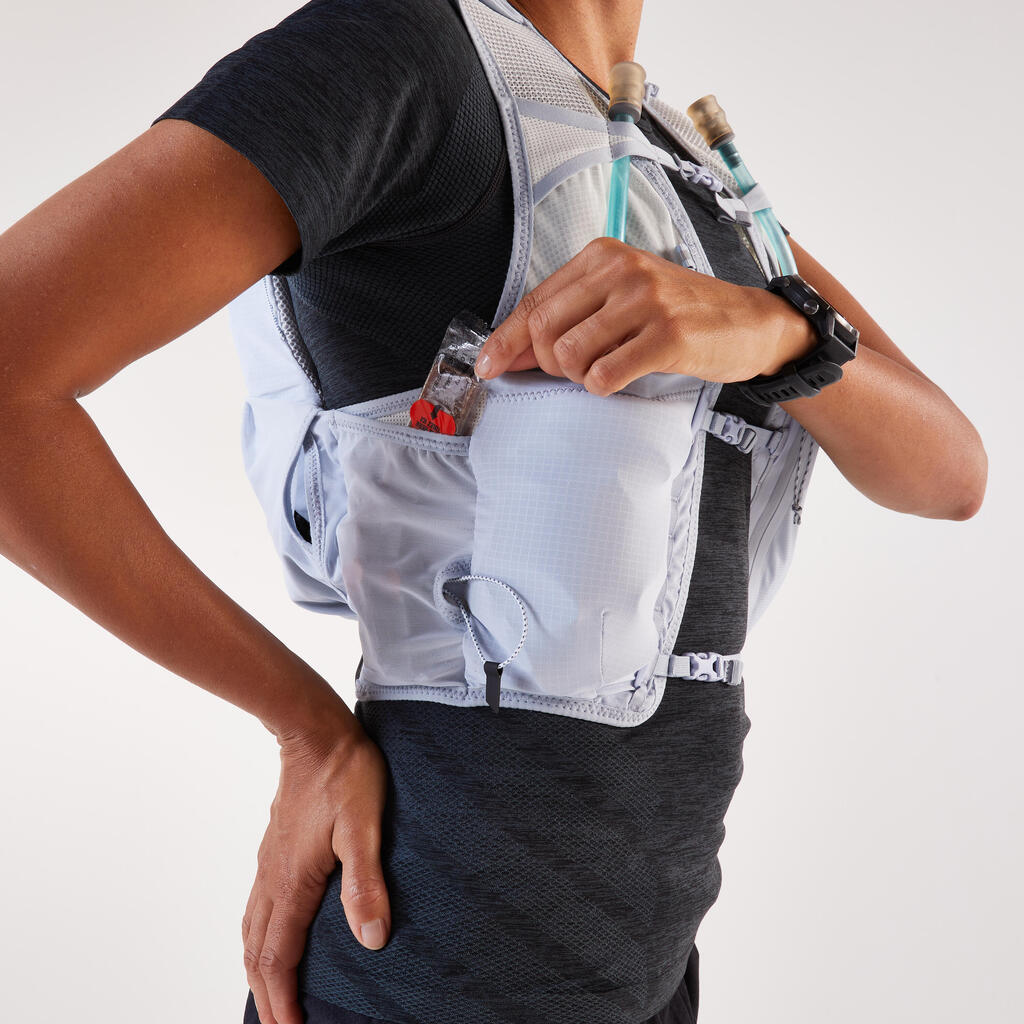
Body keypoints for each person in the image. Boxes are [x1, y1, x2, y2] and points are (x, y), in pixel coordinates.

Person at [0, 1, 987, 1023]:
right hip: (434, 960)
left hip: (649, 963)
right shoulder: (396, 53)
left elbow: (948, 473)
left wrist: (776, 333)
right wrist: (303, 728)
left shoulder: (674, 154)